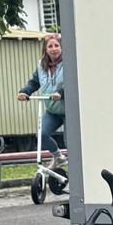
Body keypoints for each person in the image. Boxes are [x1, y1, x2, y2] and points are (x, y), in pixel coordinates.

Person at [17, 34, 68, 167]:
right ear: (45, 49)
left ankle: (76, 171)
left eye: (56, 45)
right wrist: (25, 92)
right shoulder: (42, 66)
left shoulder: (68, 62)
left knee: (71, 142)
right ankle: (58, 157)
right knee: (41, 134)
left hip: (68, 110)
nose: (54, 49)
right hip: (53, 110)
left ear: (62, 47)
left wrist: (61, 93)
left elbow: (71, 82)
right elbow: (34, 82)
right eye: (50, 46)